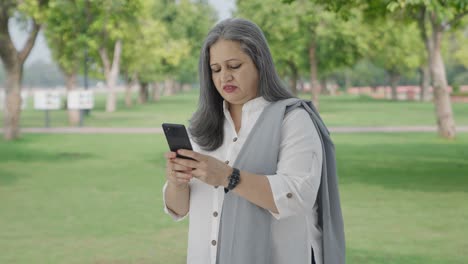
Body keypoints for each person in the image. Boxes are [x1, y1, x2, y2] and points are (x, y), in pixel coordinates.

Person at [162, 18, 345, 264]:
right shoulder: (204, 128)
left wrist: (228, 176)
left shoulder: (292, 120)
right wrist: (177, 183)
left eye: (234, 66)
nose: (224, 77)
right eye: (215, 69)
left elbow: (297, 196)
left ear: (260, 62)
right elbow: (180, 209)